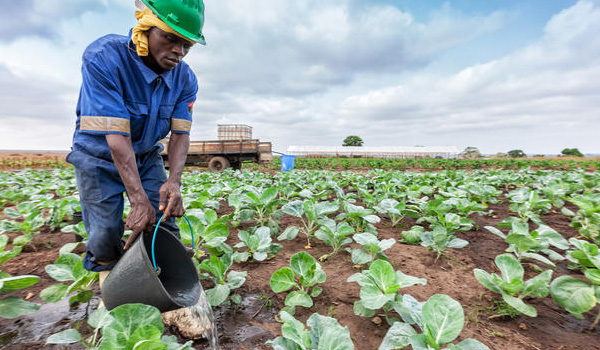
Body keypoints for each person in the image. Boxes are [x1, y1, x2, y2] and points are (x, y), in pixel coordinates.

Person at [66, 0, 206, 335]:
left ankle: (172, 303)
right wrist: (138, 199)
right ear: (145, 26)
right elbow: (116, 140)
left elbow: (180, 135)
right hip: (97, 155)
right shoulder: (104, 58)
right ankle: (113, 300)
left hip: (144, 155)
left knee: (164, 220)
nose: (179, 51)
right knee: (104, 232)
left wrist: (173, 181)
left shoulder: (185, 80)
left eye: (187, 44)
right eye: (171, 38)